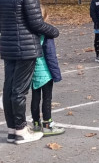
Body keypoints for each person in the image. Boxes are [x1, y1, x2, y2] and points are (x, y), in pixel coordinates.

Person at [0, 0, 59, 145]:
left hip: (8, 48)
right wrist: (53, 31)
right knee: (19, 91)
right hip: (27, 49)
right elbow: (37, 23)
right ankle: (20, 130)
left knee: (9, 88)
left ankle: (13, 130)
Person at [29, 7, 65, 136]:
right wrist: (56, 74)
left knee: (35, 98)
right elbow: (50, 56)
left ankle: (36, 124)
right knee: (47, 98)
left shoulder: (29, 33)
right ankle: (47, 125)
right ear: (45, 18)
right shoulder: (47, 35)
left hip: (32, 72)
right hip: (45, 72)